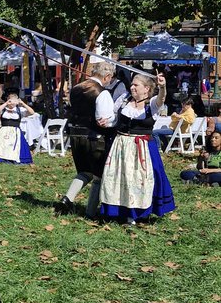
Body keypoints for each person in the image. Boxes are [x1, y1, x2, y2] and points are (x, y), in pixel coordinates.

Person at [100, 73, 175, 222]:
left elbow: (161, 98)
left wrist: (163, 86)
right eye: (132, 84)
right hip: (121, 145)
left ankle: (137, 213)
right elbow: (115, 118)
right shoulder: (124, 100)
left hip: (142, 148)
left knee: (140, 180)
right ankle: (119, 211)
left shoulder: (152, 104)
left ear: (146, 89)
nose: (132, 87)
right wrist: (106, 121)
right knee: (119, 178)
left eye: (136, 85)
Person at [55, 60, 118, 218]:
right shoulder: (102, 93)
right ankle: (90, 212)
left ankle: (67, 199)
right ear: (107, 76)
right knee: (98, 174)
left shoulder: (76, 88)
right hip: (94, 137)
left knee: (85, 171)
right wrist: (115, 119)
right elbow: (103, 120)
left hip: (75, 135)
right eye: (110, 78)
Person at [0, 91, 36, 164]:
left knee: (16, 145)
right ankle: (2, 159)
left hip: (15, 130)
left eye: (14, 101)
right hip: (4, 130)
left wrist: (23, 103)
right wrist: (6, 103)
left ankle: (14, 159)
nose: (12, 103)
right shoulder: (4, 110)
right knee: (2, 144)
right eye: (10, 101)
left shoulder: (19, 110)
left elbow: (32, 112)